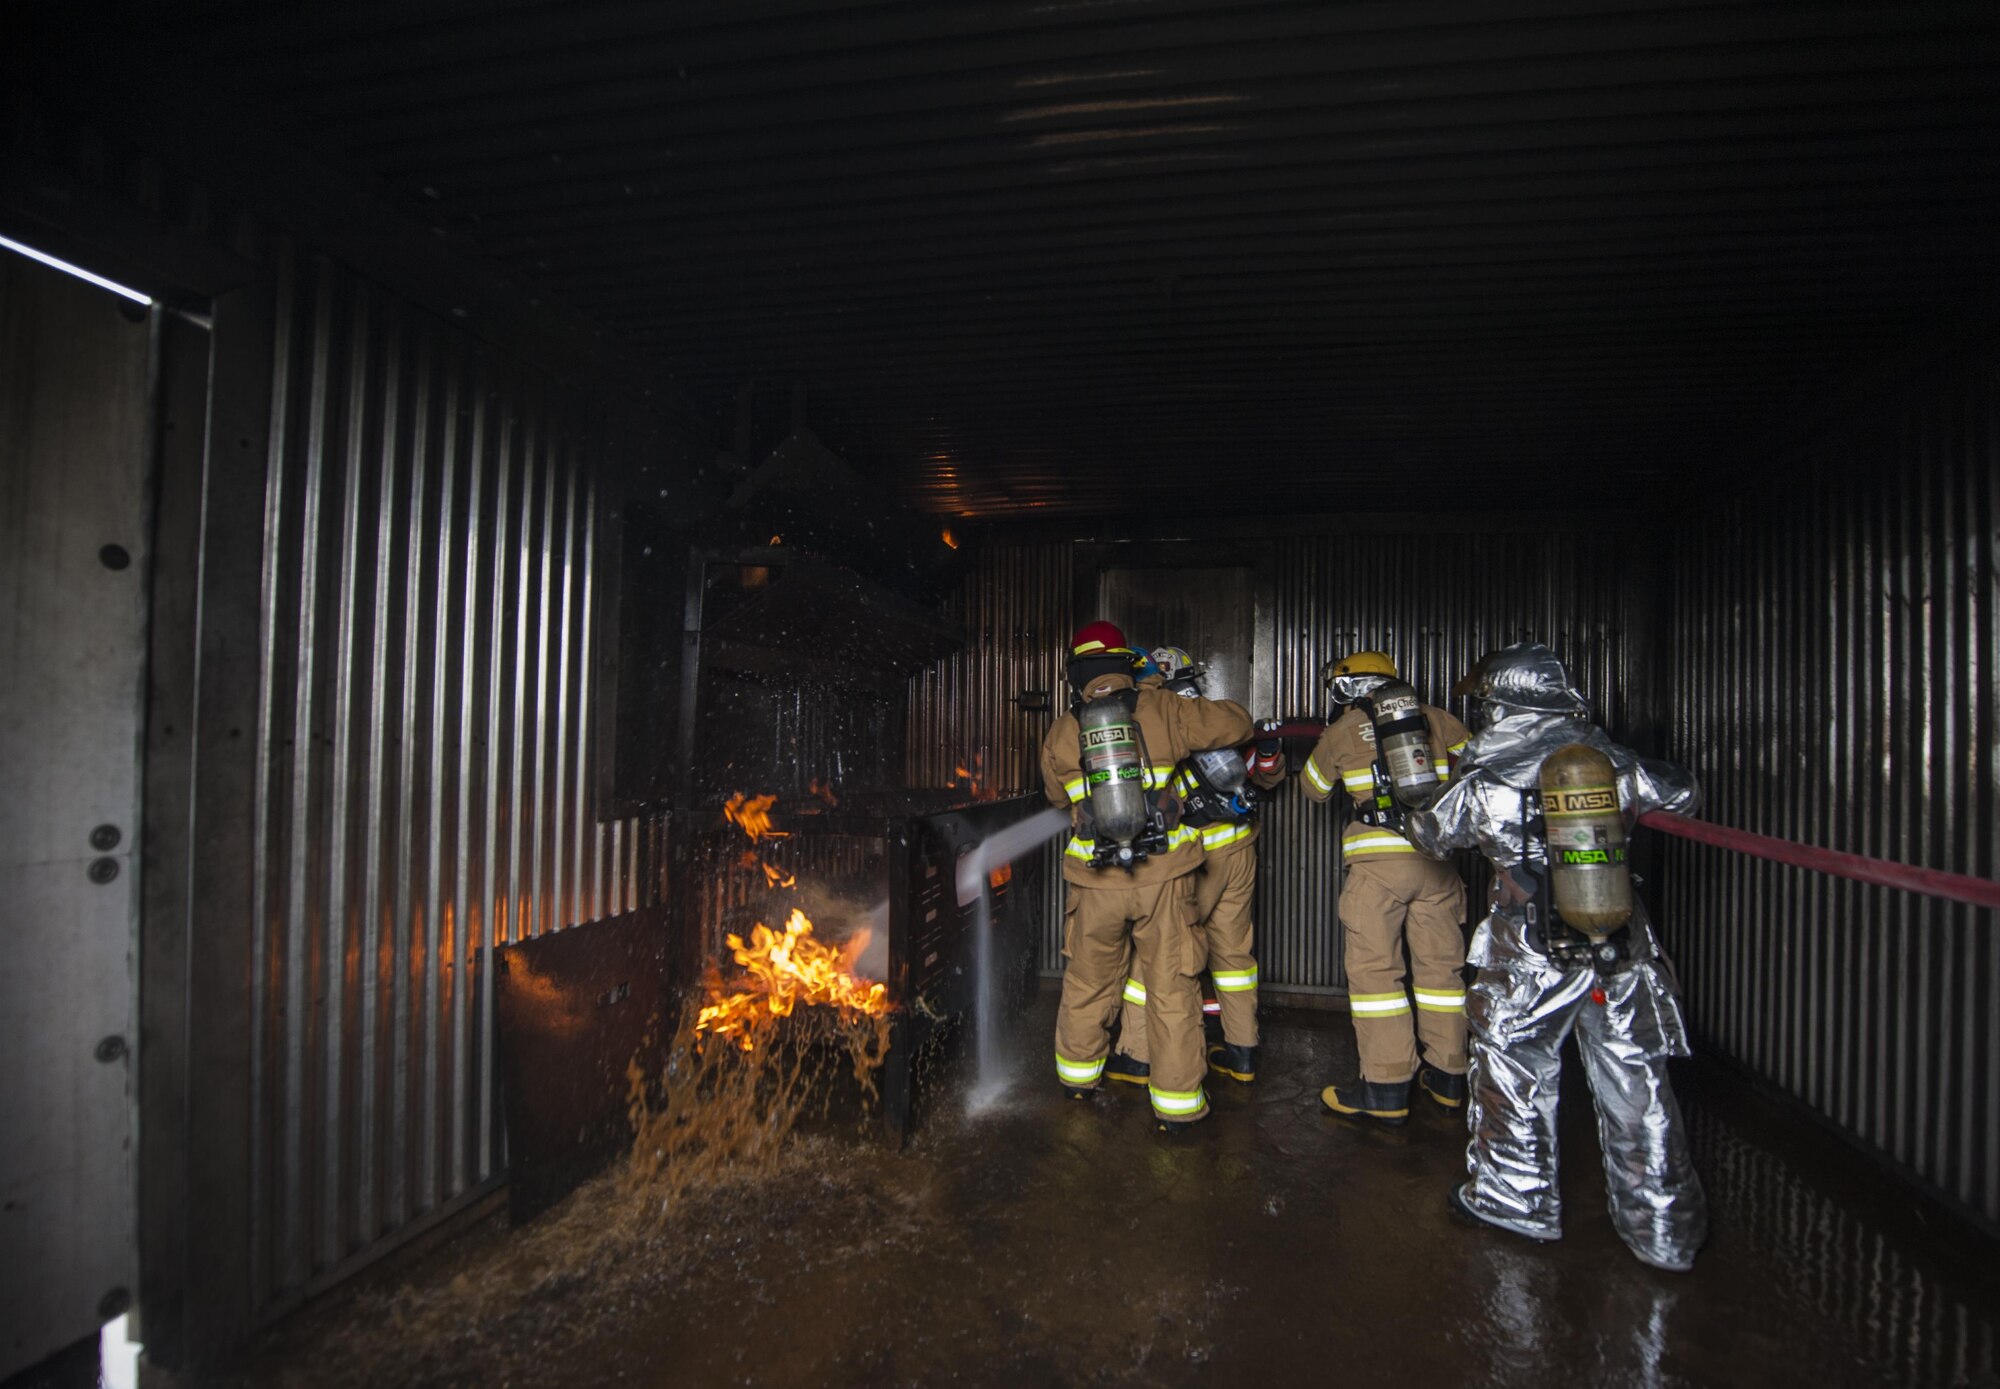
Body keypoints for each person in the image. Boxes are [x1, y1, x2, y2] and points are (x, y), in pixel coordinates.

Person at [1406, 641, 1707, 1272]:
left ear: (1505, 703)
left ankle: (1516, 1203)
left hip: (1529, 955)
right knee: (1639, 1085)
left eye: (1487, 701)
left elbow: (1432, 833)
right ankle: (1663, 1231)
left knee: (1516, 1075)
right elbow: (1682, 793)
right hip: (1619, 947)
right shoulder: (1605, 763)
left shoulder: (1484, 778)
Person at [1041, 623, 1253, 1130]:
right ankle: (1178, 1107)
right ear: (1124, 664)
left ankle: (1077, 1079)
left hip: (1094, 884)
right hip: (1163, 878)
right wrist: (1162, 693)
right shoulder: (1164, 709)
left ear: (1077, 675)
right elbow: (1238, 725)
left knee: (1088, 982)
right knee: (1171, 988)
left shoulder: (1062, 731)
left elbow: (1055, 800)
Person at [1298, 650, 1472, 1124]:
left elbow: (1313, 788)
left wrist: (1336, 745)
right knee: (1442, 976)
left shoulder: (1344, 729)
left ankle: (1387, 1087)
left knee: (1378, 978)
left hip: (1377, 870)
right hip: (1437, 863)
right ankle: (1449, 1077)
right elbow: (1474, 770)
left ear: (1353, 688)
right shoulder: (1438, 719)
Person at [1105, 646, 1285, 1087]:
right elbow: (1264, 777)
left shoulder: (1163, 717)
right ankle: (1242, 1051)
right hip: (1242, 845)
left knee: (1159, 952)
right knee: (1234, 955)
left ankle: (1136, 1053)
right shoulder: (1211, 715)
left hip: (1199, 854)